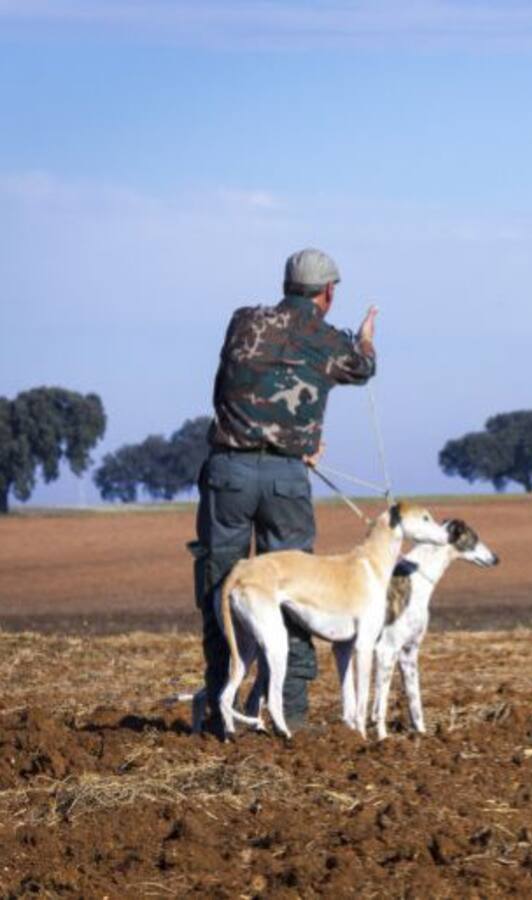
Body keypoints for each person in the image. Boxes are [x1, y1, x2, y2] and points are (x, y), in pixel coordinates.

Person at [190, 248, 378, 734]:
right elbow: (361, 368)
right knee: (296, 587)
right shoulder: (326, 339)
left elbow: (225, 387)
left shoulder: (243, 321)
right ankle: (287, 710)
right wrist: (365, 341)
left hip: (227, 472)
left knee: (221, 588)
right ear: (329, 292)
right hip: (284, 479)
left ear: (286, 284)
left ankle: (220, 705)